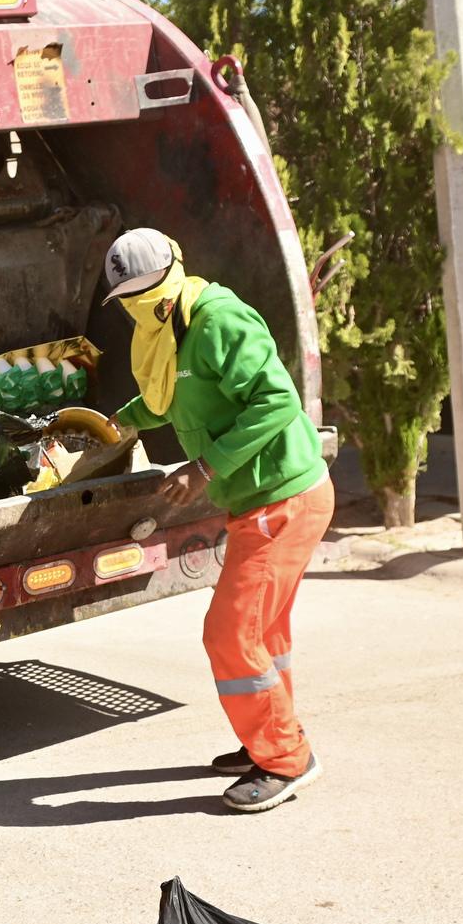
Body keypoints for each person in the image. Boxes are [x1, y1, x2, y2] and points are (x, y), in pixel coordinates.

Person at [101, 228, 332, 813]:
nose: (136, 304)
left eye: (144, 290)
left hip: (284, 498)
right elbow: (171, 397)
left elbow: (278, 401)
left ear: (173, 273)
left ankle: (286, 759)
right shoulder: (168, 331)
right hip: (258, 501)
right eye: (126, 296)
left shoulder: (217, 320)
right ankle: (269, 740)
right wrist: (114, 423)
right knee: (265, 635)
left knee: (231, 634)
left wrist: (203, 468)